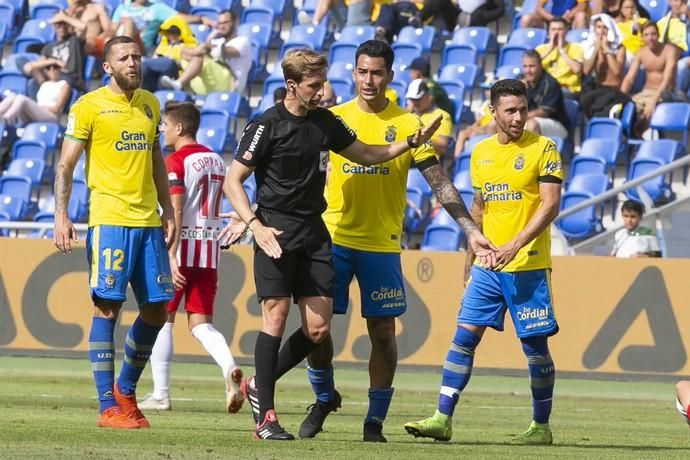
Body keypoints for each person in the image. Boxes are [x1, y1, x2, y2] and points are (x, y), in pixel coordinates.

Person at [224, 48, 444, 440]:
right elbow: (232, 180)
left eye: (323, 82)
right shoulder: (265, 125)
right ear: (292, 86)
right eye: (314, 85)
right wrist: (253, 225)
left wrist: (408, 143)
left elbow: (368, 154)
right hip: (274, 231)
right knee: (274, 317)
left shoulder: (326, 123)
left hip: (314, 232)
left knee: (319, 328)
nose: (322, 91)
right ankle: (266, 420)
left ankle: (259, 383)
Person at [296, 40, 495, 443]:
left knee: (383, 331)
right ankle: (323, 398)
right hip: (330, 239)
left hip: (382, 245)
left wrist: (470, 229)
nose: (369, 80)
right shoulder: (331, 120)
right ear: (353, 73)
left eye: (377, 72)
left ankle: (374, 422)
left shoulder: (407, 126)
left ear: (390, 75)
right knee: (316, 331)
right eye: (363, 71)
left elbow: (439, 184)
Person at [404, 78, 563, 445]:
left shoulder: (544, 148)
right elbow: (479, 207)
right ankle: (442, 418)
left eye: (523, 109)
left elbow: (550, 204)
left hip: (528, 265)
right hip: (488, 265)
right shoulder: (481, 152)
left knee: (535, 348)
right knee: (464, 336)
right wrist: (469, 259)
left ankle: (541, 427)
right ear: (492, 112)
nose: (519, 117)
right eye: (510, 110)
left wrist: (515, 244)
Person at [53, 36, 175, 429]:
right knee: (107, 306)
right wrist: (61, 214)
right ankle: (108, 406)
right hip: (109, 220)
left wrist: (168, 208)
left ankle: (125, 389)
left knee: (157, 309)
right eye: (124, 58)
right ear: (107, 67)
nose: (133, 63)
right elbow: (65, 165)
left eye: (137, 57)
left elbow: (156, 159)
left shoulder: (150, 105)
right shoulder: (88, 106)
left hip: (148, 222)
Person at [138, 101, 245, 413]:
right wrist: (240, 217)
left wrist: (169, 256)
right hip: (208, 251)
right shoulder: (214, 158)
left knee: (162, 321)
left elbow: (176, 209)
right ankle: (229, 368)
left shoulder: (176, 161)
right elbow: (230, 192)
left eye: (165, 126)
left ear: (179, 128)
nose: (162, 131)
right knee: (200, 324)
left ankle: (160, 393)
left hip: (180, 249)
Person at [160, 10, 253, 95]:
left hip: (230, 84)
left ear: (235, 22)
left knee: (198, 55)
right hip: (210, 83)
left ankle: (179, 83)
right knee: (185, 53)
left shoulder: (242, 41)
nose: (221, 26)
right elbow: (204, 50)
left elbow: (227, 52)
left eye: (225, 23)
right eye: (219, 23)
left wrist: (208, 42)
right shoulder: (216, 41)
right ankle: (177, 87)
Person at [620, 21, 677, 136]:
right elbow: (629, 78)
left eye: (653, 34)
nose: (650, 38)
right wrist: (620, 97)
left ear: (658, 35)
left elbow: (667, 78)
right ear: (642, 37)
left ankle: (640, 137)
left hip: (664, 93)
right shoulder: (641, 53)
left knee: (650, 111)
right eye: (646, 35)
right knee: (624, 108)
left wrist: (654, 101)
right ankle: (630, 140)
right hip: (645, 93)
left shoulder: (669, 51)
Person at [580, 14, 630, 119]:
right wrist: (596, 49)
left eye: (605, 27)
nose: (602, 31)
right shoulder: (590, 47)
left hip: (614, 90)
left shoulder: (619, 49)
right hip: (598, 88)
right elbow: (586, 70)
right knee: (585, 99)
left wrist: (606, 49)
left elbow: (616, 71)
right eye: (598, 27)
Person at [24, 17, 85, 94]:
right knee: (31, 79)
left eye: (64, 23)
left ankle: (44, 86)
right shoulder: (49, 46)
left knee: (33, 72)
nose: (61, 27)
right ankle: (43, 87)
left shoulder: (74, 40)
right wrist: (54, 61)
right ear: (53, 26)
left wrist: (64, 16)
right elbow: (37, 65)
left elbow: (83, 27)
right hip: (52, 75)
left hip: (69, 76)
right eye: (58, 24)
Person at [0, 62, 71, 124]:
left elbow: (57, 109)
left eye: (55, 67)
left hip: (51, 116)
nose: (52, 70)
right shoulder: (44, 83)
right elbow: (31, 67)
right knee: (13, 95)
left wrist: (38, 107)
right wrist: (52, 61)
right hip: (36, 114)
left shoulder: (64, 84)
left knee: (21, 98)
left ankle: (6, 119)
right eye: (48, 68)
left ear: (60, 69)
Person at [522, 50, 570, 139]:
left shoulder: (550, 83)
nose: (528, 70)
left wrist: (519, 117)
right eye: (525, 66)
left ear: (540, 66)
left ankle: (530, 153)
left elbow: (544, 112)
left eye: (532, 66)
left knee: (532, 125)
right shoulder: (521, 80)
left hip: (555, 123)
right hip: (527, 120)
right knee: (494, 124)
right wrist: (519, 91)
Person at [535, 17, 585, 97]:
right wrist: (549, 50)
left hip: (567, 89)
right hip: (545, 87)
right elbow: (531, 66)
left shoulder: (576, 47)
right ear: (548, 32)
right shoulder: (540, 49)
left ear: (566, 31)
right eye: (553, 29)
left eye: (560, 29)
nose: (556, 33)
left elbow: (577, 69)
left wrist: (562, 50)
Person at [406, 78, 453, 159]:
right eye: (412, 99)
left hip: (426, 162)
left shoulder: (441, 116)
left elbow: (442, 147)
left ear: (429, 96)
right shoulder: (410, 116)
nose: (415, 102)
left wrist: (423, 140)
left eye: (418, 99)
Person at [521, 0, 588, 29]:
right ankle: (525, 52)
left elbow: (582, 6)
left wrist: (569, 15)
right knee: (526, 19)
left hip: (571, 20)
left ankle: (579, 49)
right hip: (552, 19)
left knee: (581, 16)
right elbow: (538, 8)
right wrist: (553, 19)